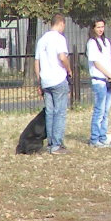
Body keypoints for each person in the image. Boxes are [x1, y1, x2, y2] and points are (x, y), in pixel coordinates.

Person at [33, 15, 71, 154]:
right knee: (59, 112)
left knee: (49, 113)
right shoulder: (59, 38)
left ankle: (50, 144)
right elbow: (62, 57)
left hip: (46, 81)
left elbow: (36, 62)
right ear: (61, 23)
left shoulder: (42, 40)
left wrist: (40, 80)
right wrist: (69, 69)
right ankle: (57, 145)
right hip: (58, 79)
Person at [85, 19, 111, 147]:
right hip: (99, 80)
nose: (101, 29)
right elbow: (96, 63)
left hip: (108, 81)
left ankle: (102, 136)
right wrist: (110, 75)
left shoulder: (106, 42)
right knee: (99, 111)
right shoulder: (92, 43)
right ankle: (94, 139)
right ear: (93, 28)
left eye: (102, 26)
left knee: (106, 111)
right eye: (98, 27)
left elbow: (108, 61)